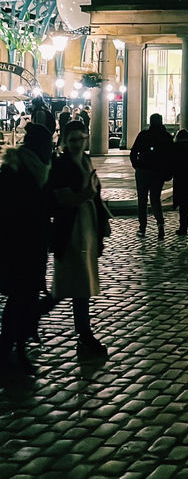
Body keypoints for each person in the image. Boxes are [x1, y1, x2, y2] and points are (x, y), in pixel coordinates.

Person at [48, 120, 110, 358]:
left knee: (76, 284)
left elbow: (96, 195)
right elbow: (63, 199)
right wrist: (87, 194)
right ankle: (85, 334)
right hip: (70, 230)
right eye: (72, 140)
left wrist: (101, 227)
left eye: (80, 139)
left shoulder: (86, 161)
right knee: (74, 285)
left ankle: (84, 333)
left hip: (87, 227)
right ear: (65, 140)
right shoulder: (62, 164)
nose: (76, 144)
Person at [0, 123, 53, 375]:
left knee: (23, 299)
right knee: (20, 300)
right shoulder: (19, 172)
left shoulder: (32, 170)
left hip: (31, 247)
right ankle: (12, 349)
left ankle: (15, 347)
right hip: (19, 249)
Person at [129, 113, 174, 239]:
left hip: (143, 170)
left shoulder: (143, 135)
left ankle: (142, 227)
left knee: (142, 200)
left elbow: (134, 151)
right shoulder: (166, 136)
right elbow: (171, 157)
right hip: (158, 172)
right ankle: (160, 224)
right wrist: (168, 171)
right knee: (155, 199)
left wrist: (136, 165)